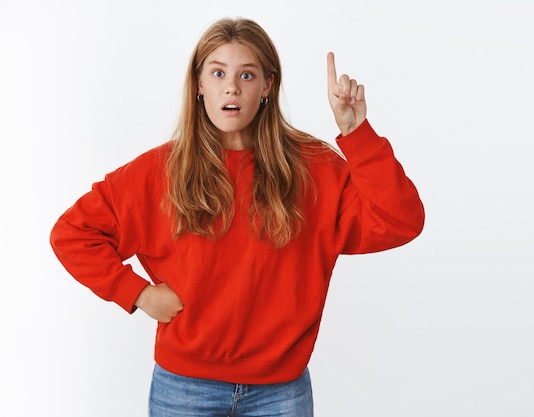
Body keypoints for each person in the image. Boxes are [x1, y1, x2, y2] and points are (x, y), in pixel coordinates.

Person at [50, 17, 425, 417]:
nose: (231, 86)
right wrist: (137, 293)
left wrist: (357, 133)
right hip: (184, 389)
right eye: (218, 73)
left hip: (281, 392)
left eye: (247, 74)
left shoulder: (314, 168)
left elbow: (400, 220)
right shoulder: (159, 171)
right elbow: (73, 233)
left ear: (267, 86)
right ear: (199, 85)